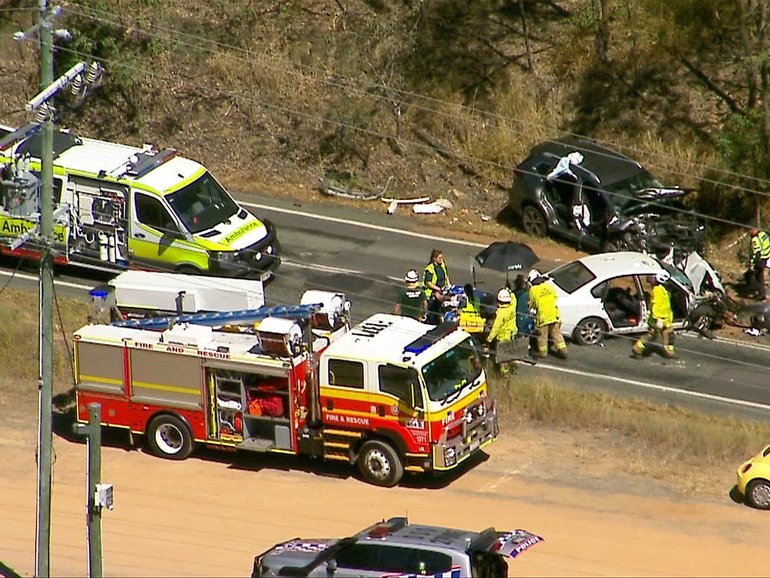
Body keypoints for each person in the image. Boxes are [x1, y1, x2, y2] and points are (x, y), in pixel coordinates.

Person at [632, 271, 675, 359]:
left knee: (667, 334)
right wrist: (658, 318)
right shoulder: (658, 290)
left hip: (665, 319)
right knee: (652, 335)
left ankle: (669, 351)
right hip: (659, 319)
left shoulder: (661, 289)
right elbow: (657, 306)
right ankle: (637, 348)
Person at [528, 269, 568, 359]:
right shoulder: (549, 286)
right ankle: (563, 351)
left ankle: (543, 353)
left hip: (543, 317)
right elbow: (555, 297)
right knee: (556, 334)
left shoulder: (533, 290)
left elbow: (532, 304)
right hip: (554, 314)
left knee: (542, 336)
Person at [485, 287, 518, 374]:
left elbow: (496, 328)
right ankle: (511, 365)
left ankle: (504, 374)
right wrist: (509, 291)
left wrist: (489, 339)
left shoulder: (501, 313)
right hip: (512, 333)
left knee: (503, 359)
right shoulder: (512, 306)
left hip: (503, 337)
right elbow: (514, 298)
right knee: (509, 353)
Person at [423, 249, 450, 324]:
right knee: (432, 313)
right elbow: (428, 283)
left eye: (442, 258)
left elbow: (446, 275)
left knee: (441, 309)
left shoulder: (442, 265)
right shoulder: (430, 269)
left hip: (441, 292)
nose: (441, 260)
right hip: (432, 294)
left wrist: (448, 285)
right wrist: (438, 289)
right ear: (434, 258)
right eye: (439, 258)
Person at [748, 227, 770, 301]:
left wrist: (752, 265)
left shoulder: (755, 240)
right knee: (760, 276)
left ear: (754, 230)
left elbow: (756, 253)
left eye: (750, 231)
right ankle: (762, 293)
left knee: (753, 277)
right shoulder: (763, 234)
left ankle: (760, 293)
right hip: (765, 257)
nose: (749, 233)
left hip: (759, 260)